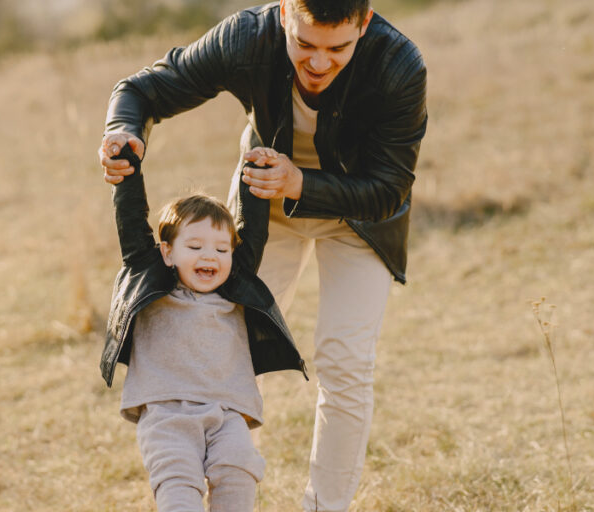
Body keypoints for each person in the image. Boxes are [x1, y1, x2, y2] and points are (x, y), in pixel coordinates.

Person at [98, 1, 427, 510]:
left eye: (338, 48)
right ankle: (231, 491)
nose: (318, 63)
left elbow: (389, 189)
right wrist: (122, 131)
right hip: (262, 209)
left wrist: (300, 181)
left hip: (360, 217)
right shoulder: (246, 38)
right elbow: (142, 90)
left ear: (364, 23)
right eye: (304, 45)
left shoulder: (400, 65)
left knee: (346, 363)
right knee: (230, 353)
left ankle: (325, 506)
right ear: (283, 18)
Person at [101, 145, 307, 511]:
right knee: (179, 484)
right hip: (167, 415)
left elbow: (253, 230)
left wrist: (255, 168)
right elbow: (132, 223)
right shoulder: (153, 283)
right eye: (194, 246)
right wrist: (127, 168)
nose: (210, 256)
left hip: (228, 414)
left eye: (221, 249)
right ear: (167, 252)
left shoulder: (236, 287)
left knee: (240, 471)